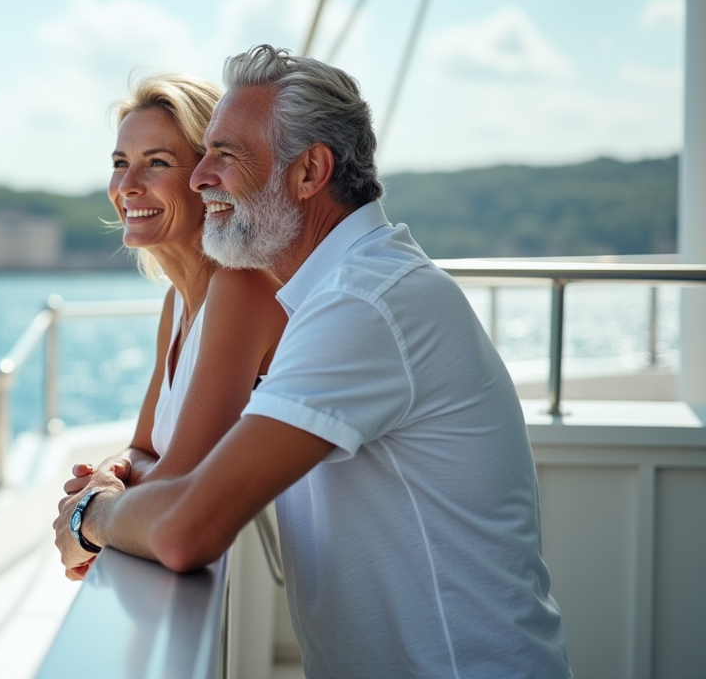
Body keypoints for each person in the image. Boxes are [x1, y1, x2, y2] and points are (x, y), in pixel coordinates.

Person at [54, 46, 571, 678]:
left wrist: (91, 515)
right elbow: (168, 469)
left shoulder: (365, 305)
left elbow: (189, 529)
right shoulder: (335, 294)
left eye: (225, 155)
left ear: (309, 172)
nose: (199, 177)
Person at [61, 73, 287, 579]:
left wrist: (91, 511)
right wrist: (110, 475)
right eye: (120, 163)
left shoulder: (241, 287)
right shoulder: (178, 300)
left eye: (156, 163)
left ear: (208, 175)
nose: (127, 186)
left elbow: (175, 484)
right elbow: (143, 448)